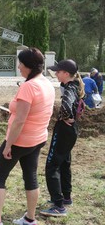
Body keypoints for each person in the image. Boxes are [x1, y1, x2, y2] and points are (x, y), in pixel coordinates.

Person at [0, 48, 55, 225]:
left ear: (29, 67)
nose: (19, 67)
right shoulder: (47, 83)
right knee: (30, 176)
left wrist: (9, 145)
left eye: (21, 64)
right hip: (38, 139)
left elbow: (19, 121)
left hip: (20, 140)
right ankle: (30, 219)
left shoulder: (28, 87)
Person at [40, 59, 85, 217]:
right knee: (64, 163)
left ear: (66, 73)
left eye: (58, 72)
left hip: (64, 129)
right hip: (71, 130)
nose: (56, 74)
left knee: (52, 165)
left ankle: (58, 205)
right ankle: (66, 197)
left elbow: (66, 106)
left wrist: (65, 116)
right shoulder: (74, 86)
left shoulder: (69, 89)